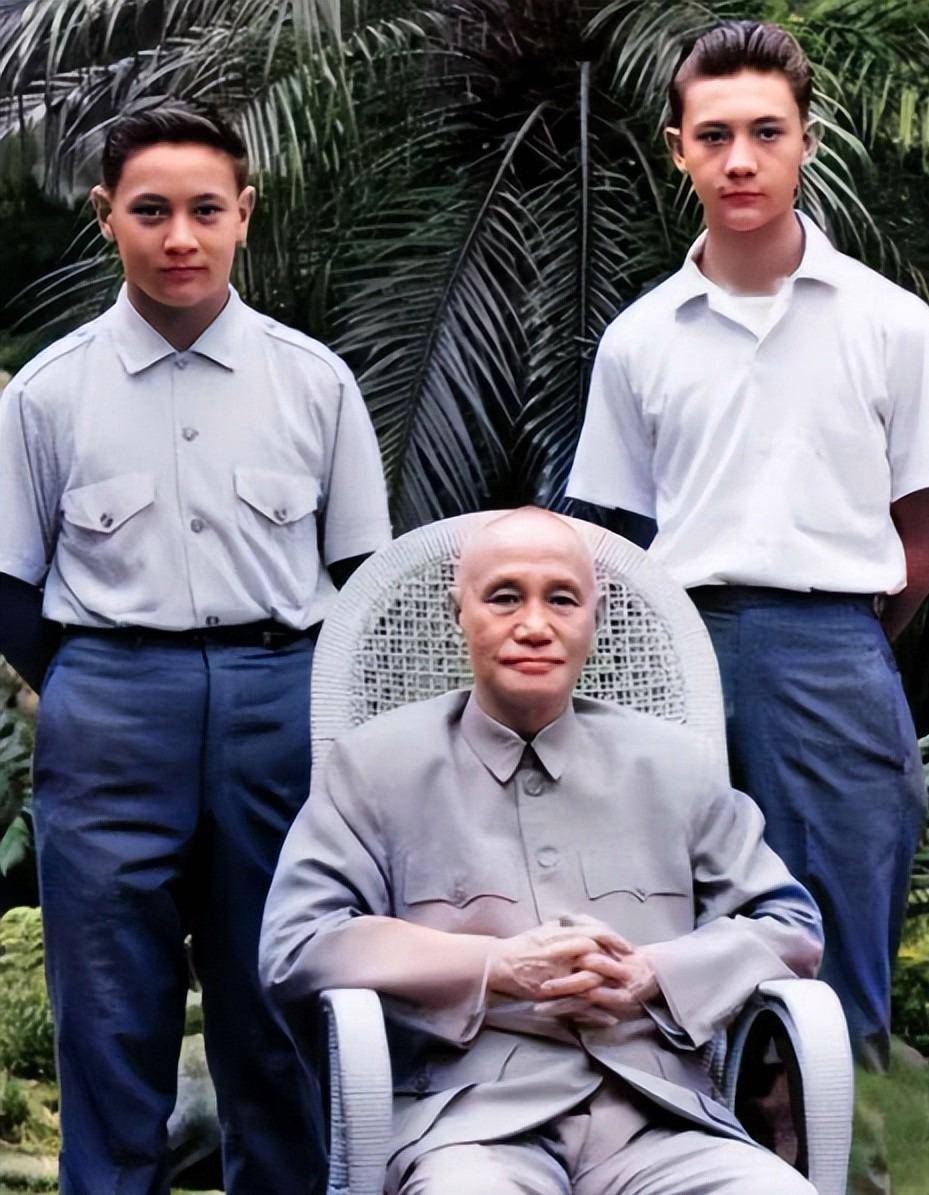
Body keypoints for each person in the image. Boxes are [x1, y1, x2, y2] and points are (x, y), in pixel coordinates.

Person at [0, 103, 391, 1195]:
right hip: (110, 709)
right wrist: (88, 682)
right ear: (104, 215)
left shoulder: (313, 381)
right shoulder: (49, 392)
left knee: (280, 994)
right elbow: (8, 581)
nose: (180, 237)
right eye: (150, 211)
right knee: (108, 1009)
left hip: (280, 705)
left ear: (244, 214)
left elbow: (365, 577)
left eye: (205, 210)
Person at [260, 506, 824, 1195]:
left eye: (561, 599)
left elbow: (789, 927)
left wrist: (654, 973)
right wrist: (494, 966)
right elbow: (297, 943)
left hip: (660, 1121)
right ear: (460, 613)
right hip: (467, 1127)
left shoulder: (676, 765)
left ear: (594, 617)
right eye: (504, 597)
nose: (534, 624)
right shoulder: (374, 767)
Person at [566, 20, 929, 1071]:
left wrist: (842, 639)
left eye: (765, 132)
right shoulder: (639, 338)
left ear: (804, 140)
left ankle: (838, 1149)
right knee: (661, 928)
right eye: (713, 135)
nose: (739, 159)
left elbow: (918, 527)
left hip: (832, 647)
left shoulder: (892, 324)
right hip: (670, 649)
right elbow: (613, 535)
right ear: (677, 148)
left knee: (836, 955)